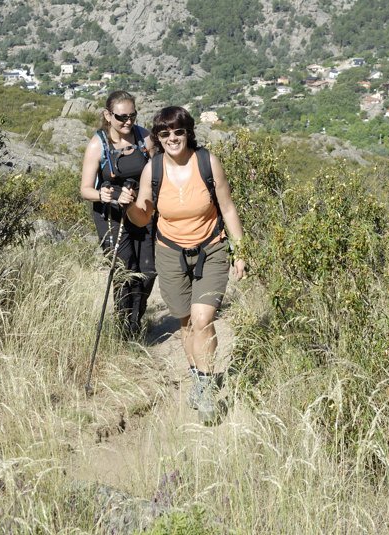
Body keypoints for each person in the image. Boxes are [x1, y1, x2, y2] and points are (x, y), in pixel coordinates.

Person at [123, 106, 245, 424]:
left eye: (178, 131)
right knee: (186, 323)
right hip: (170, 252)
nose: (173, 138)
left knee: (203, 318)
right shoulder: (155, 169)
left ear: (188, 132)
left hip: (212, 249)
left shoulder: (207, 162)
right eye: (165, 133)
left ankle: (205, 389)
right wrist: (130, 206)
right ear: (158, 137)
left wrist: (241, 251)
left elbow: (228, 209)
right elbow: (143, 217)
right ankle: (199, 378)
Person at [80, 90, 156, 339]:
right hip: (111, 217)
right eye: (122, 117)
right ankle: (125, 331)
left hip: (142, 211)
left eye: (132, 116)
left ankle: (136, 321)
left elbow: (158, 172)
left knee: (147, 271)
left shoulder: (144, 137)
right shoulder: (98, 144)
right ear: (108, 115)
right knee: (125, 271)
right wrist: (107, 196)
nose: (128, 122)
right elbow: (85, 189)